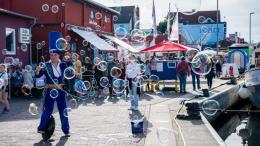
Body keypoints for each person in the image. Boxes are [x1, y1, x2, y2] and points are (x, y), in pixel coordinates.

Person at [35, 49, 70, 137]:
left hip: (60, 90)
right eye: (51, 55)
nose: (53, 56)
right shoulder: (46, 65)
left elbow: (68, 74)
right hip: (49, 90)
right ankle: (41, 128)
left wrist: (74, 73)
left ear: (58, 55)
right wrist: (37, 71)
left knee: (63, 110)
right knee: (47, 110)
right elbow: (38, 75)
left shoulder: (63, 64)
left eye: (55, 55)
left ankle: (66, 130)